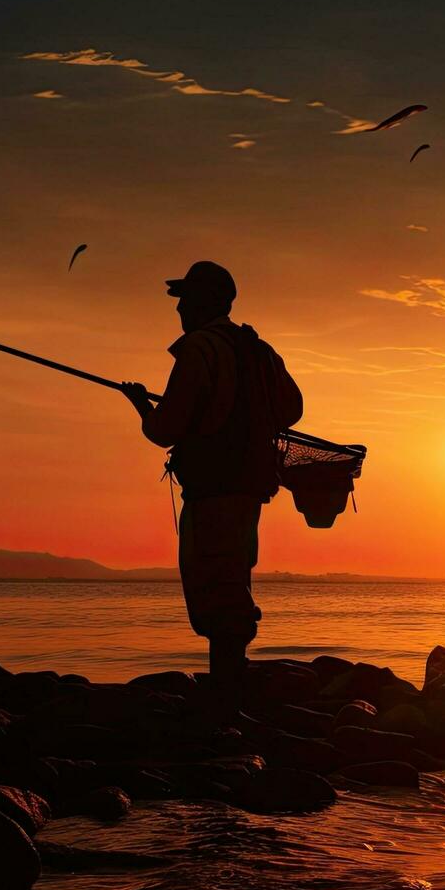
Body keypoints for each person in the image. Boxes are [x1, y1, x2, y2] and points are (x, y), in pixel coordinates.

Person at [120, 261, 302, 716]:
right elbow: (293, 410)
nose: (178, 307)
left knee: (214, 585)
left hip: (213, 490)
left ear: (203, 302)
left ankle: (226, 693)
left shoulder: (199, 348)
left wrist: (141, 406)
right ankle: (231, 682)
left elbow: (166, 428)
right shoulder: (257, 349)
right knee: (233, 579)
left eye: (184, 298)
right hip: (248, 490)